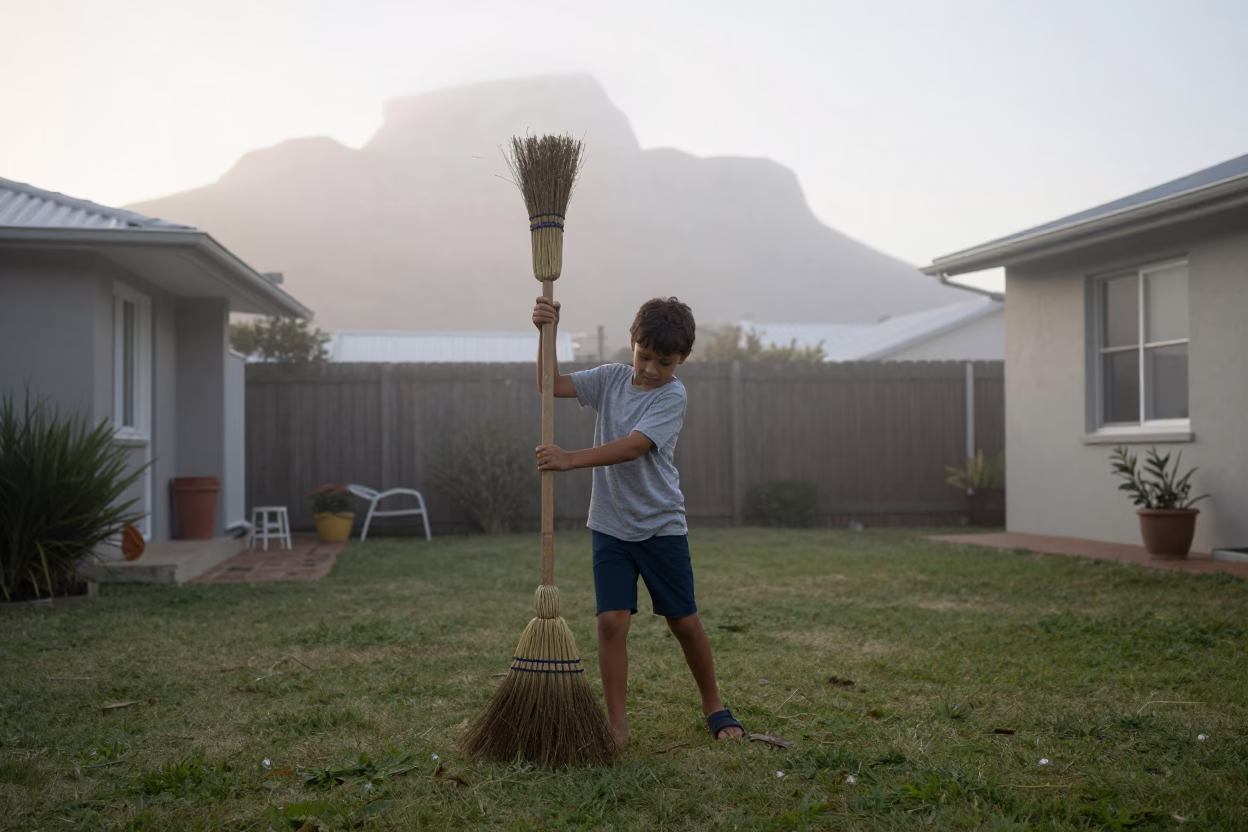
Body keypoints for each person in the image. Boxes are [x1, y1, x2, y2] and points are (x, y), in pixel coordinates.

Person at [531, 294, 745, 748]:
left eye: (663, 362)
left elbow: (633, 445)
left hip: (660, 525)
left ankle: (714, 706)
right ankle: (617, 728)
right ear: (632, 342)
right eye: (645, 356)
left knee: (683, 622)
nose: (650, 369)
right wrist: (545, 334)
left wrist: (570, 459)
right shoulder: (609, 379)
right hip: (610, 525)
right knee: (611, 622)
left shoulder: (673, 395)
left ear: (681, 360)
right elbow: (550, 384)